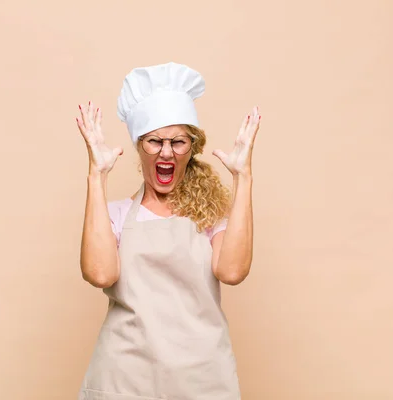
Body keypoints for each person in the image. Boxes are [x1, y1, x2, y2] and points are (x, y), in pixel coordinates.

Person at [75, 62, 260, 400]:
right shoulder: (114, 215)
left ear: (192, 148)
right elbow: (100, 273)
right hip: (124, 380)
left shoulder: (212, 217)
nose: (166, 151)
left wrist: (243, 177)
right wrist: (96, 176)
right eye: (154, 141)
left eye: (178, 142)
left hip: (201, 380)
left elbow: (232, 271)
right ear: (139, 145)